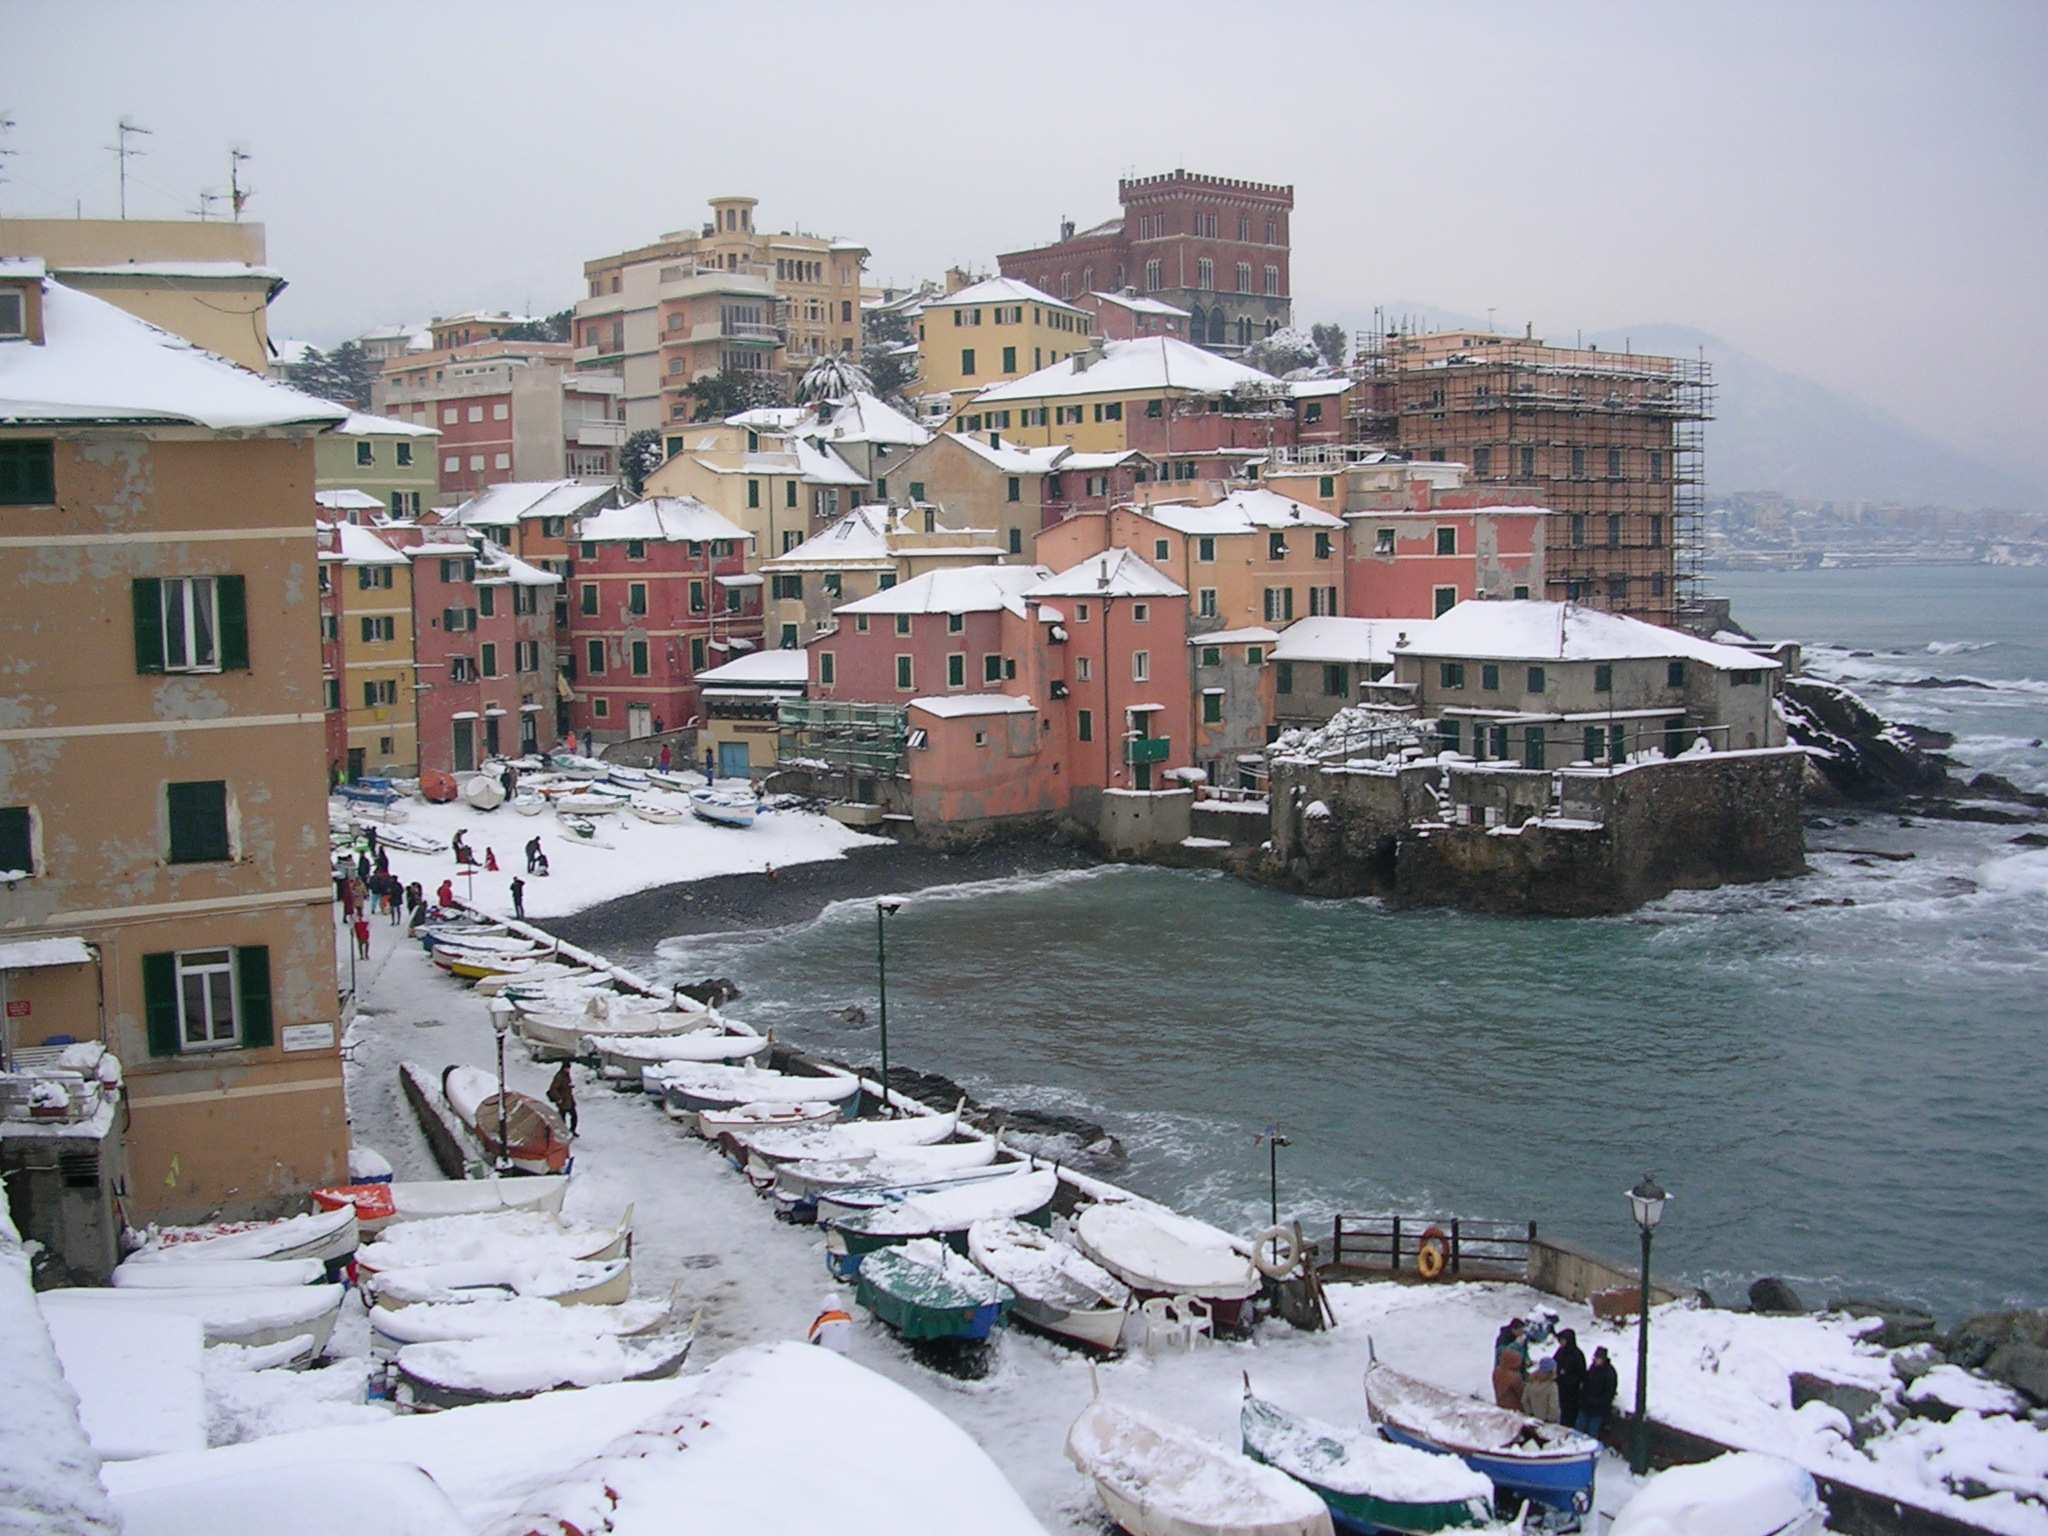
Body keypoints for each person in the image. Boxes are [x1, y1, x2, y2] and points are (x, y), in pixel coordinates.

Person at [1578, 1346, 1618, 1439]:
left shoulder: (1609, 1373)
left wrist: (1595, 1401)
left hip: (1598, 1409)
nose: (1596, 1360)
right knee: (1578, 1430)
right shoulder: (1592, 1368)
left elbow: (1609, 1393)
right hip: (1586, 1405)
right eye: (1595, 1357)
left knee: (1592, 1433)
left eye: (1598, 1358)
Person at [1555, 1328, 1588, 1430]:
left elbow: (1581, 1374)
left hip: (1572, 1393)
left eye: (1563, 1340)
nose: (1561, 1343)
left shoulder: (1577, 1355)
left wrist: (1566, 1376)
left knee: (1569, 1417)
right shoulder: (1560, 1351)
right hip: (1559, 1389)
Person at [1523, 1357, 1561, 1423]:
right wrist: (1551, 1419)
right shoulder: (1552, 1386)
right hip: (1546, 1422)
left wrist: (1530, 1413)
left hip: (1532, 1419)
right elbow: (1553, 1406)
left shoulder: (1531, 1381)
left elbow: (1524, 1400)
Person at [1491, 1344, 1525, 1412]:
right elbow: (1522, 1394)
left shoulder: (1497, 1371)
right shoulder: (1515, 1377)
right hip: (1515, 1407)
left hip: (1500, 1403)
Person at [546, 1061, 578, 1135]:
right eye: (567, 1068)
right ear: (564, 1068)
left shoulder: (566, 1075)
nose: (568, 1070)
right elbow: (553, 1088)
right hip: (562, 1101)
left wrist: (570, 1086)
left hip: (569, 1099)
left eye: (569, 1068)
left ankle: (572, 1130)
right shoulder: (559, 1076)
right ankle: (563, 1132)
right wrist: (558, 1098)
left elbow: (565, 1086)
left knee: (574, 1116)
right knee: (562, 1118)